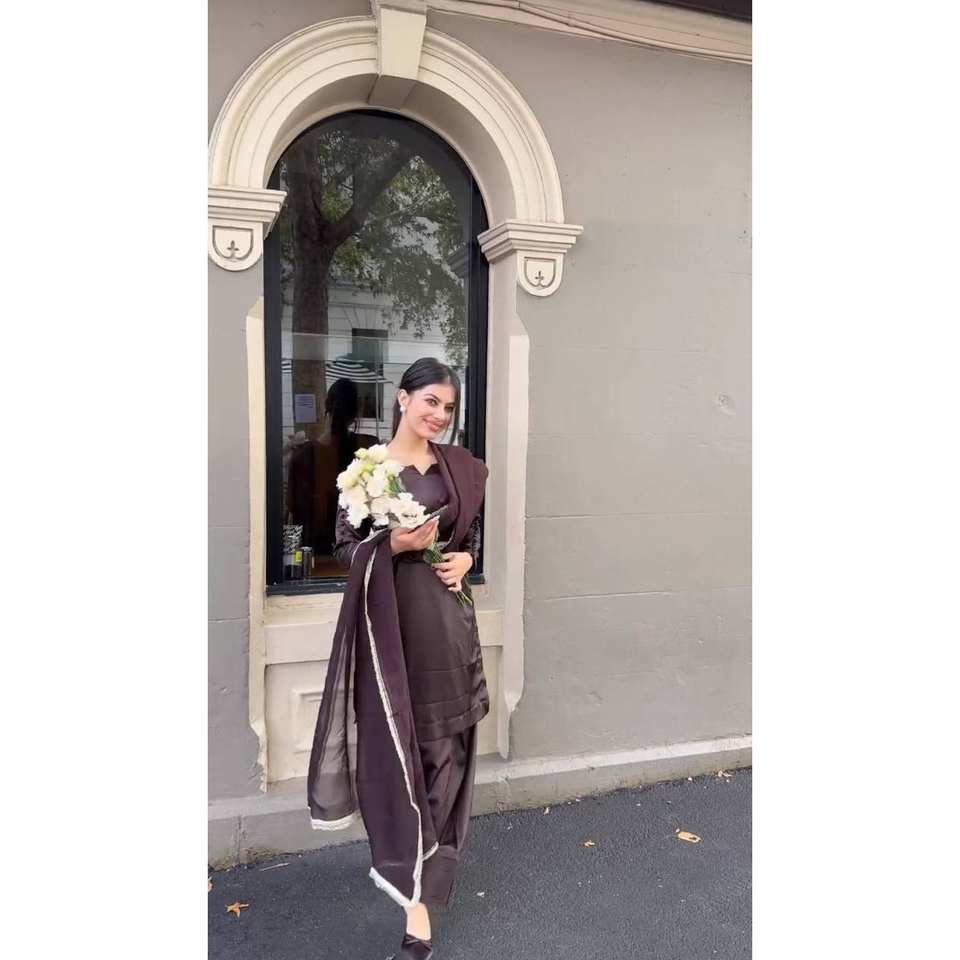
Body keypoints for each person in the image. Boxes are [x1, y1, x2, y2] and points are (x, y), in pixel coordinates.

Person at [306, 358, 490, 960]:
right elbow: (343, 551)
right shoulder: (366, 471)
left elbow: (469, 539)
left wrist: (466, 560)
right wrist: (391, 545)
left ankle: (428, 873)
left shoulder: (459, 468)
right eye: (430, 401)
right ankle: (417, 907)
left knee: (448, 751)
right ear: (403, 399)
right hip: (392, 634)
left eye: (449, 407)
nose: (440, 415)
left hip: (448, 629)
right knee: (404, 756)